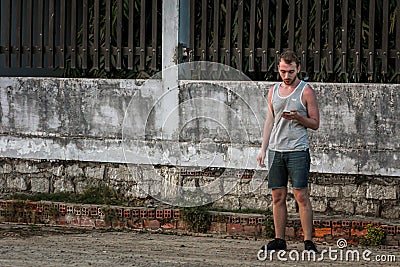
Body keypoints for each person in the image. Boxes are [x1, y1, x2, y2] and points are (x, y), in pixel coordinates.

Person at [257, 49, 320, 253]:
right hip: (276, 150)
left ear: (298, 69)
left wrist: (298, 118)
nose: (286, 76)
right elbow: (270, 120)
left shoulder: (306, 91)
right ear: (279, 68)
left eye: (291, 71)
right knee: (278, 196)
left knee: (301, 195)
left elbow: (315, 123)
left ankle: (308, 241)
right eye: (283, 71)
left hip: (297, 151)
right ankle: (279, 240)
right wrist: (262, 149)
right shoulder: (273, 90)